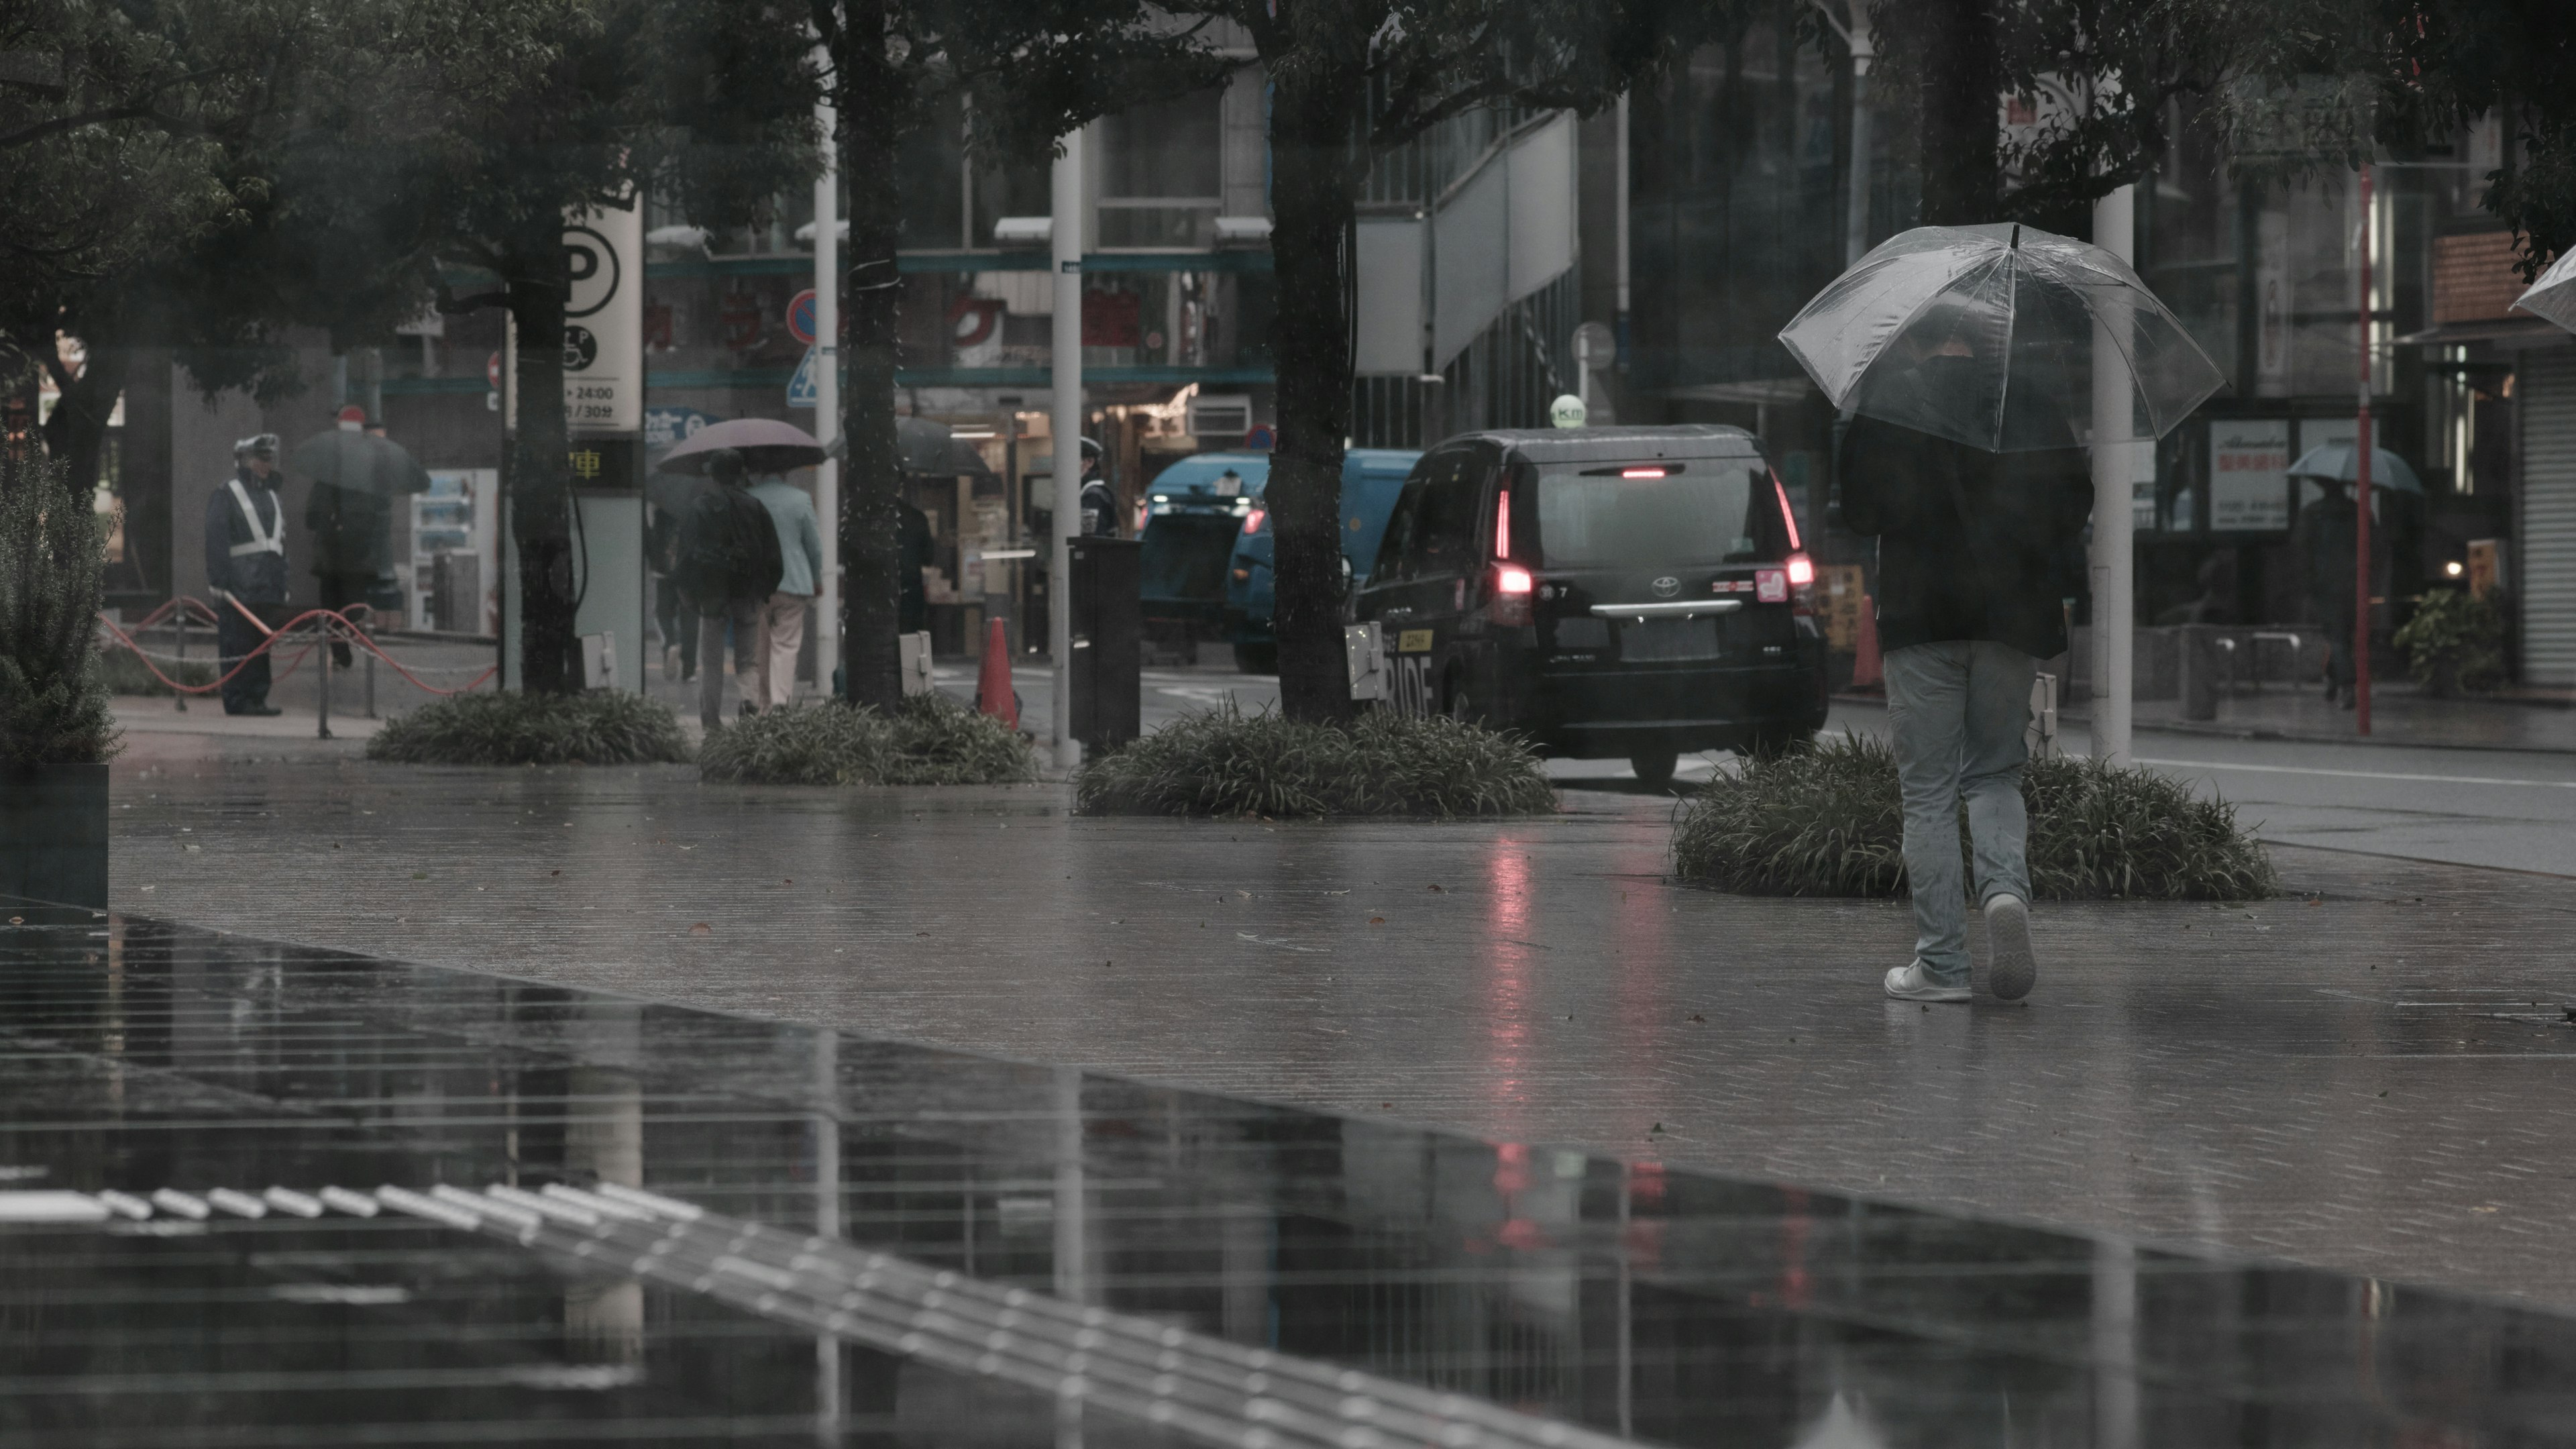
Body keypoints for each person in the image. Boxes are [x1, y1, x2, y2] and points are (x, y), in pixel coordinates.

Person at [1838, 371, 2092, 1004]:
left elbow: (1859, 510)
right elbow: (2073, 503)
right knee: (1996, 773)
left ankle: (1944, 967)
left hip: (1920, 617)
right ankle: (2004, 893)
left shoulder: (1893, 404)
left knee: (1927, 792)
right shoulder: (2029, 400)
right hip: (2010, 616)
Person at [683, 449, 783, 729]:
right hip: (748, 595)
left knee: (712, 661)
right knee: (748, 661)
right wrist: (763, 592)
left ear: (712, 475)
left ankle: (711, 721)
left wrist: (690, 594)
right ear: (741, 474)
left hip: (713, 596)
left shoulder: (699, 507)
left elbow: (687, 555)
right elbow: (774, 558)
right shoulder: (756, 507)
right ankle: (749, 703)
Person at [205, 433, 289, 716]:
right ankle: (238, 699)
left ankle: (257, 698)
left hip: (266, 587)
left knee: (261, 646)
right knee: (237, 644)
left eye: (269, 459)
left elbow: (279, 545)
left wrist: (282, 584)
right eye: (261, 459)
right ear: (245, 460)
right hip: (238, 588)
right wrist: (219, 582)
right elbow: (217, 540)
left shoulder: (272, 497)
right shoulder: (227, 493)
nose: (266, 465)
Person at [305, 405, 393, 666]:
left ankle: (341, 653)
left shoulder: (328, 473)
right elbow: (380, 513)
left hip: (334, 557)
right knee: (350, 609)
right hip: (356, 557)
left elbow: (312, 516)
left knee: (333, 611)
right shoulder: (371, 476)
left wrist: (331, 523)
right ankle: (345, 651)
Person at [747, 461, 824, 710]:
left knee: (760, 648)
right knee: (786, 645)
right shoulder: (801, 499)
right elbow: (814, 547)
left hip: (756, 585)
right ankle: (782, 701)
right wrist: (816, 580)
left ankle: (764, 705)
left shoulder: (748, 498)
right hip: (793, 583)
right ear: (785, 471)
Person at [2292, 480, 2361, 708]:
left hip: (2325, 585)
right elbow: (2375, 546)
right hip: (2353, 583)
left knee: (2336, 636)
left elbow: (2301, 550)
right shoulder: (2358, 512)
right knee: (2343, 635)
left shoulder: (2312, 513)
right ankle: (2334, 679)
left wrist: (2307, 583)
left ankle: (2346, 686)